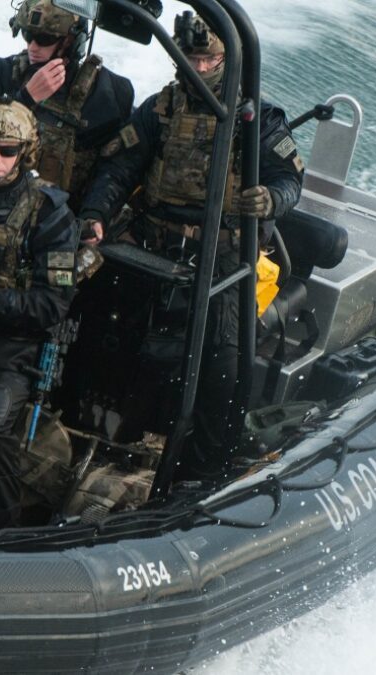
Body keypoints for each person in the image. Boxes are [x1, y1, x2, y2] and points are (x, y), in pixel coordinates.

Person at [77, 12, 304, 464]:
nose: (199, 69)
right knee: (99, 326)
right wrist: (95, 216)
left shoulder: (258, 120)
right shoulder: (160, 109)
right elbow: (119, 169)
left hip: (221, 253)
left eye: (210, 59)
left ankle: (205, 463)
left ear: (227, 59)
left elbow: (291, 180)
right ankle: (87, 431)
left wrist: (270, 200)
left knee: (222, 365)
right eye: (191, 59)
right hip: (153, 241)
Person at [0, 97, 79, 531]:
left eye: (7, 151)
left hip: (9, 346)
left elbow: (55, 303)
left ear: (24, 155)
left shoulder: (52, 218)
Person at [0, 0, 134, 212]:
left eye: (45, 39)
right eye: (28, 35)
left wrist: (95, 214)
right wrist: (23, 100)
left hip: (57, 220)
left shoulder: (104, 94)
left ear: (72, 41)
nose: (33, 47)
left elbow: (118, 167)